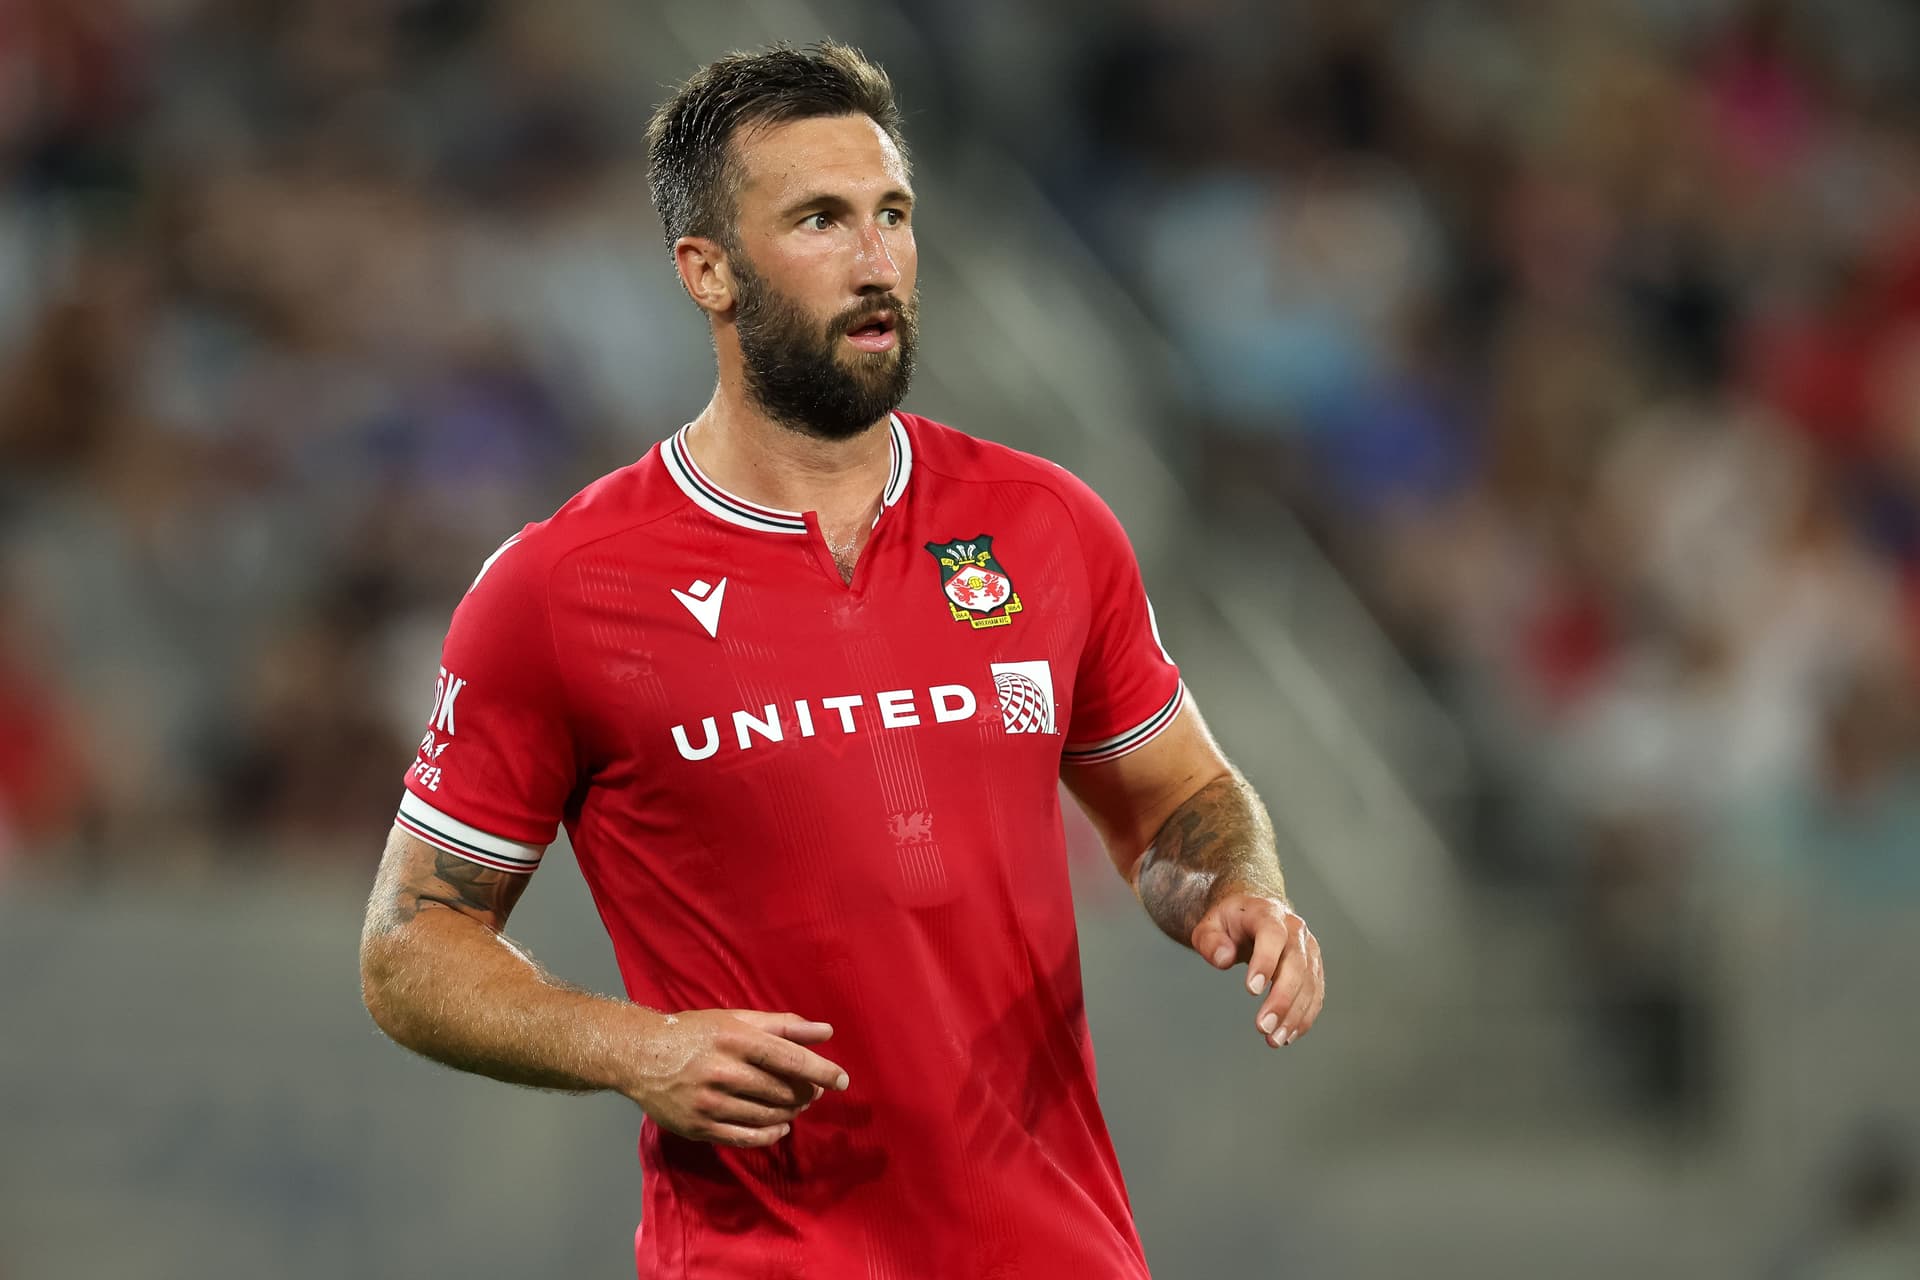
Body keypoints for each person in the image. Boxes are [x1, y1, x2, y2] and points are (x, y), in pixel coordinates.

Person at [358, 41, 1324, 1279]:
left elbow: (1178, 801)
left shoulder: (1045, 522)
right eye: (821, 219)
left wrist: (1235, 884)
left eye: (893, 215)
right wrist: (636, 1048)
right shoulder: (561, 589)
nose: (878, 262)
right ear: (706, 270)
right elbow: (409, 947)